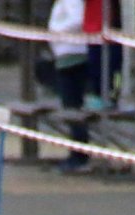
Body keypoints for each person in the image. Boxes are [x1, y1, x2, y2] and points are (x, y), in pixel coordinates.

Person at [48, 0, 90, 173]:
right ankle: (76, 152)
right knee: (71, 108)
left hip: (73, 55)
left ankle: (80, 156)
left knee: (73, 108)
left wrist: (56, 30)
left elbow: (78, 19)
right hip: (65, 55)